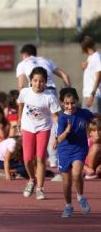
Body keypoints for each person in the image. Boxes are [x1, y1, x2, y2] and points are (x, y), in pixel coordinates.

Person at [16, 43, 71, 167]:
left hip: (35, 92)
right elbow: (65, 75)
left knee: (36, 122)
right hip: (51, 91)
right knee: (51, 123)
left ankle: (39, 157)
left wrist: (25, 96)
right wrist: (68, 91)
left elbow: (20, 85)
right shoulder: (46, 60)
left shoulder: (23, 63)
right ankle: (53, 158)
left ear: (24, 55)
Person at [17, 67, 60, 201]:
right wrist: (19, 119)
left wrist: (57, 135)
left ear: (45, 82)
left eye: (41, 81)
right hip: (27, 128)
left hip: (43, 128)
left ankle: (40, 189)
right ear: (31, 81)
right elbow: (20, 104)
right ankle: (31, 179)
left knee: (41, 157)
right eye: (35, 80)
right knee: (28, 159)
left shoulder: (49, 97)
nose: (37, 84)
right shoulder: (25, 92)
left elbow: (55, 117)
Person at [54, 88, 96, 218]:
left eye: (72, 103)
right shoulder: (62, 119)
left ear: (76, 101)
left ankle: (81, 197)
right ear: (62, 103)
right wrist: (67, 131)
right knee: (67, 183)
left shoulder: (84, 114)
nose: (70, 106)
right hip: (65, 151)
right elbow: (59, 139)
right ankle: (68, 206)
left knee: (77, 174)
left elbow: (95, 117)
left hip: (79, 149)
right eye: (67, 104)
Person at [80, 36, 101, 113]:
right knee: (85, 122)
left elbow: (99, 76)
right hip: (87, 94)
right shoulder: (90, 58)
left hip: (93, 95)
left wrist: (92, 94)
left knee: (95, 122)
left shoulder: (96, 57)